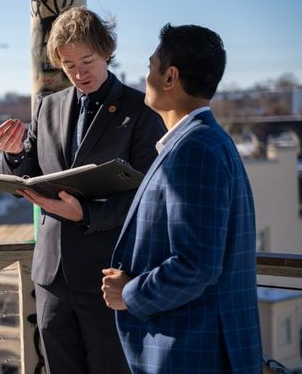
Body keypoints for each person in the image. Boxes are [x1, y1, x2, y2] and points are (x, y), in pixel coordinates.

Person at [0, 6, 165, 373]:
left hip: (109, 276)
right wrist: (12, 157)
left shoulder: (142, 109)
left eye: (86, 61)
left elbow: (147, 198)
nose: (78, 73)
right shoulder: (46, 106)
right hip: (52, 275)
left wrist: (85, 214)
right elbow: (33, 174)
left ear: (107, 50)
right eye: (68, 65)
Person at [102, 24, 263, 373]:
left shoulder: (195, 149)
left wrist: (128, 293)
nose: (145, 76)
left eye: (150, 66)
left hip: (193, 353)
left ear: (170, 77)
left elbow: (196, 265)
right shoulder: (203, 142)